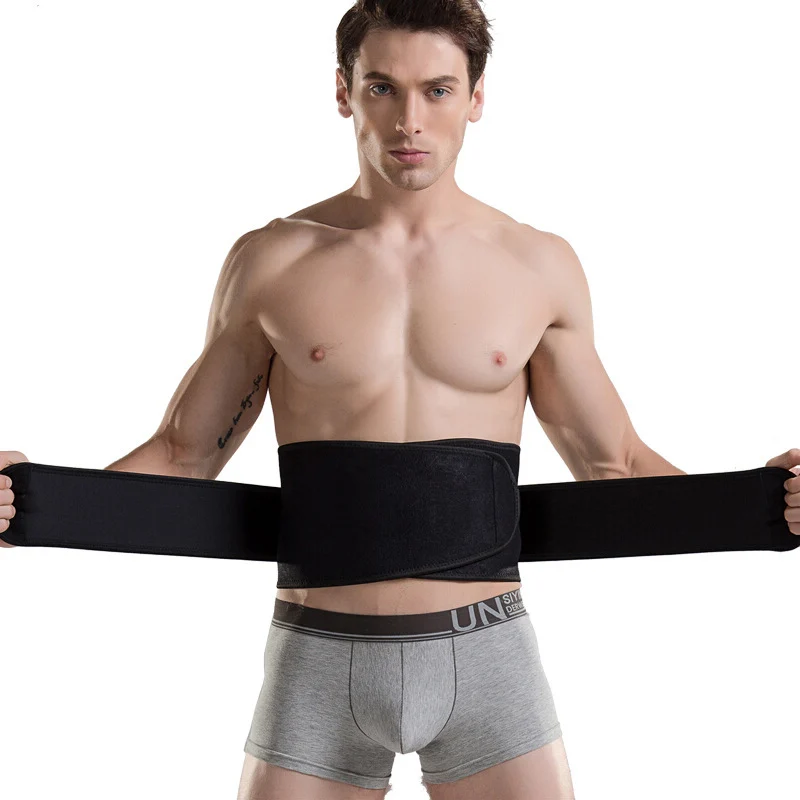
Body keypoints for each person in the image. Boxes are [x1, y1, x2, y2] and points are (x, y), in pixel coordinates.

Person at [3, 2, 799, 799]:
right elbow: (183, 455)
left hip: (487, 657)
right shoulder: (273, 261)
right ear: (343, 91)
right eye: (382, 88)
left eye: (437, 90)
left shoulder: (537, 266)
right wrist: (30, 503)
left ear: (476, 97)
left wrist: (765, 504)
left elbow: (614, 464)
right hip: (318, 657)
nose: (409, 120)